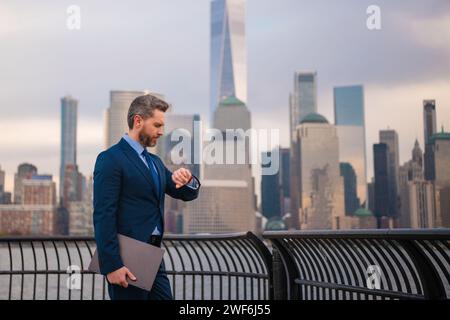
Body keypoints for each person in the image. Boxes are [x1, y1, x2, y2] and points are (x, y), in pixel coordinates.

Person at [93, 94, 200, 300]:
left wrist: (187, 180)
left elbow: (186, 193)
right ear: (138, 121)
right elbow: (103, 215)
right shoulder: (110, 159)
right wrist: (112, 266)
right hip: (126, 258)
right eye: (157, 125)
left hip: (152, 256)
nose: (161, 132)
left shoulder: (155, 162)